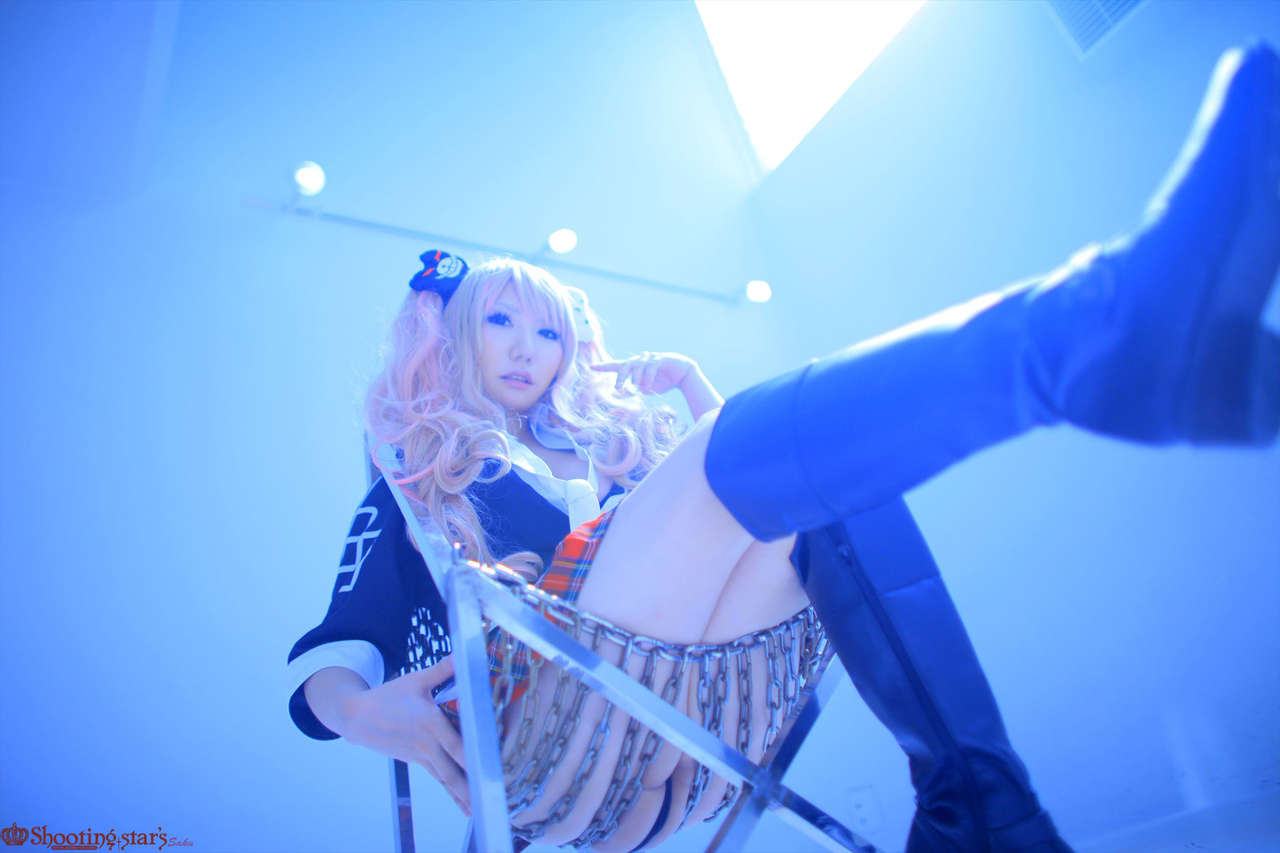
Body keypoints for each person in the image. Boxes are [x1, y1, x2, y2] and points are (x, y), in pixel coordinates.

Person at [288, 42, 1279, 852]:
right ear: (455, 335)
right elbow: (335, 644)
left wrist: (696, 398)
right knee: (788, 455)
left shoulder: (594, 453)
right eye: (500, 322)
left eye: (548, 331)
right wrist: (361, 714)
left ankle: (982, 811)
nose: (525, 348)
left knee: (826, 483)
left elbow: (716, 527)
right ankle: (1099, 337)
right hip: (555, 752)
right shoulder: (426, 468)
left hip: (682, 731)